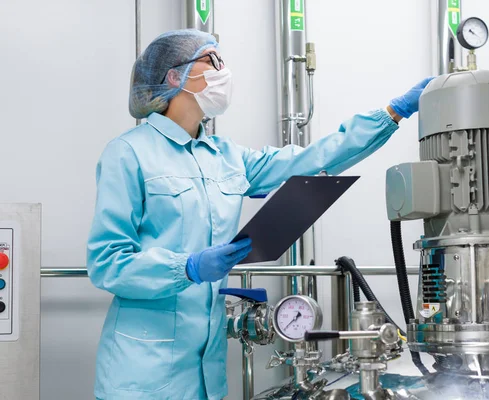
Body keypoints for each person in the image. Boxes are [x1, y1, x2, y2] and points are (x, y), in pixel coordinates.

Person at [87, 28, 433, 400]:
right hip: (143, 373)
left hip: (206, 376)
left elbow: (313, 158)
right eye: (212, 60)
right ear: (174, 76)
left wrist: (391, 113)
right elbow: (108, 263)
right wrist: (186, 267)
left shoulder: (226, 157)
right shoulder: (128, 153)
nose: (224, 71)